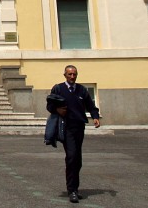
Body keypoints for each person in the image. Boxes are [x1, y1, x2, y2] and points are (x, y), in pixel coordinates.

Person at [46, 65, 100, 203]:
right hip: (66, 127)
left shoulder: (82, 90)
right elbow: (49, 106)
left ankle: (75, 188)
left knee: (77, 160)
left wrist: (95, 117)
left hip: (79, 127)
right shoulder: (58, 89)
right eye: (69, 74)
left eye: (74, 74)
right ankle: (72, 191)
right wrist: (58, 110)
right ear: (64, 75)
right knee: (71, 157)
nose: (72, 77)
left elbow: (90, 105)